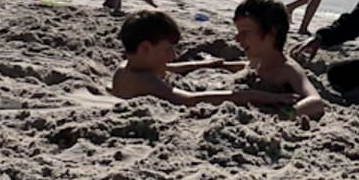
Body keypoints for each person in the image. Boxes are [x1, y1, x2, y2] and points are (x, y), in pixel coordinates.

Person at [110, 9, 297, 108]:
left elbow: (170, 69)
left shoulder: (124, 67)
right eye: (168, 49)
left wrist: (202, 64)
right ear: (146, 48)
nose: (172, 56)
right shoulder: (146, 80)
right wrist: (263, 96)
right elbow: (192, 99)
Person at [227, 0, 325, 117]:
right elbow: (242, 66)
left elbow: (316, 101)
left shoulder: (287, 70)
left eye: (245, 32)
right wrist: (209, 65)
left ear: (272, 33)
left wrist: (288, 114)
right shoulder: (258, 60)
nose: (237, 38)